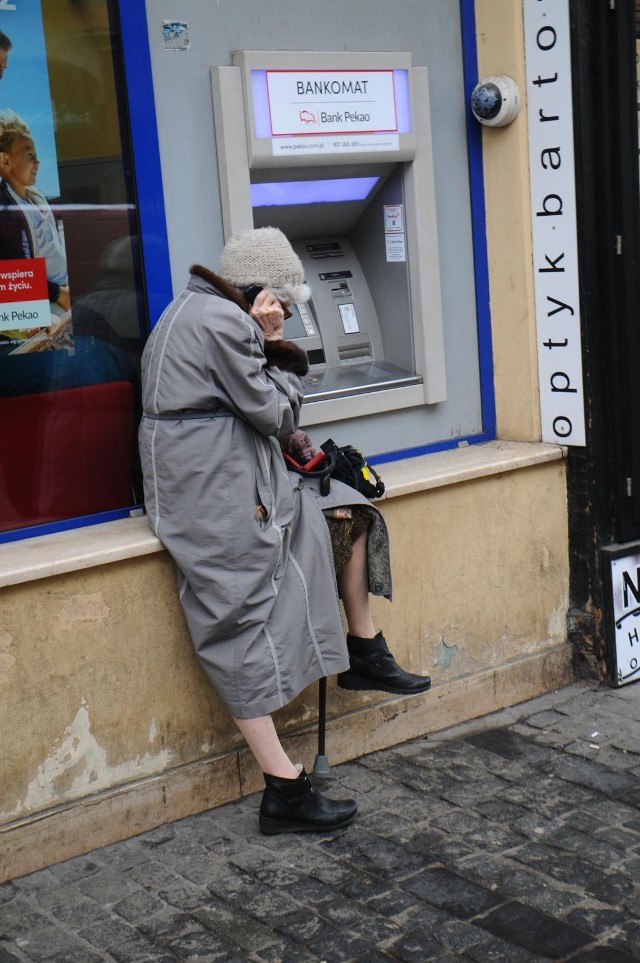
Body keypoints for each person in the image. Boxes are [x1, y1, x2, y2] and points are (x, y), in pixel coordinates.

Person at [138, 227, 431, 835]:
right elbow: (277, 411)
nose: (287, 315)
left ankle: (363, 649)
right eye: (284, 304)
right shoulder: (228, 324)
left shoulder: (196, 310)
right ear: (261, 291)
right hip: (216, 495)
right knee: (237, 623)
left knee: (345, 509)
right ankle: (284, 789)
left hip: (229, 478)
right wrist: (276, 342)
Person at [0, 111, 70, 319]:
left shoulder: (37, 198)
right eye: (29, 155)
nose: (38, 162)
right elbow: (10, 274)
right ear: (5, 161)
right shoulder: (5, 209)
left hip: (62, 298)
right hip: (42, 307)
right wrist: (58, 294)